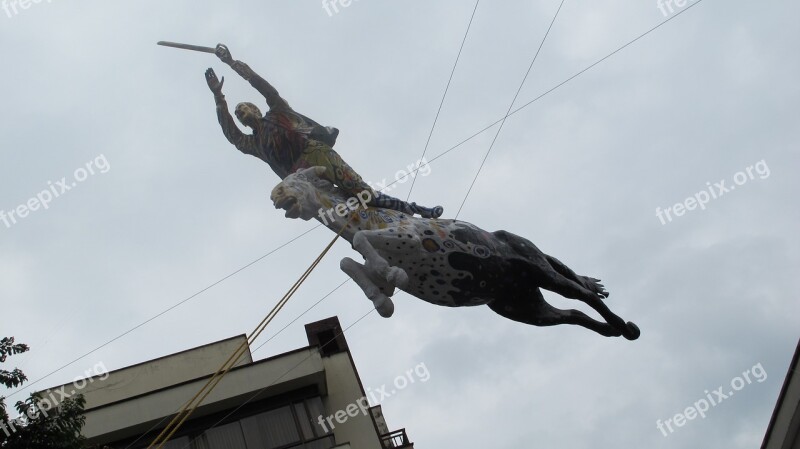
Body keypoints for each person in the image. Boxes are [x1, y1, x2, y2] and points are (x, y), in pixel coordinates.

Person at [205, 44, 443, 219]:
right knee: (334, 214)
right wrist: (218, 97)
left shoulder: (278, 112)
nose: (240, 113)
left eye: (243, 107)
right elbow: (232, 135)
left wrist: (232, 63)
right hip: (299, 176)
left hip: (317, 154)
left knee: (362, 193)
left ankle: (414, 210)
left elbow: (264, 87)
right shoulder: (254, 144)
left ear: (255, 108)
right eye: (238, 114)